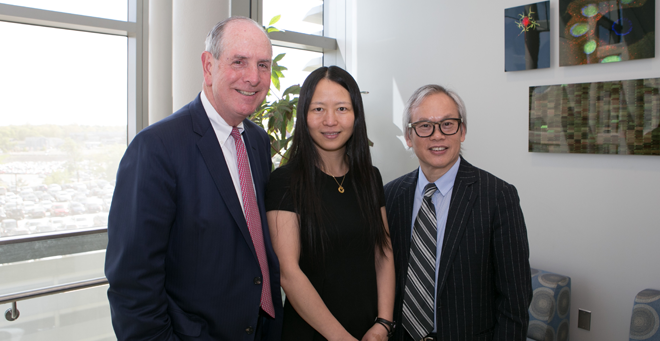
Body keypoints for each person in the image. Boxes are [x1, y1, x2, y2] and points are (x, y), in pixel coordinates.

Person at [104, 17, 283, 340]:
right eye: (239, 62)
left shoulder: (257, 142)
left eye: (263, 65)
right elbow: (133, 285)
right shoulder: (156, 148)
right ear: (208, 65)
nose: (253, 78)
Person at [384, 85, 532, 341]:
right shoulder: (390, 196)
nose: (437, 135)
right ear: (409, 137)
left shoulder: (497, 197)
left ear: (462, 131)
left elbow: (515, 300)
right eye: (424, 126)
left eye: (447, 124)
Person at [266, 66, 395, 341]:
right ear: (304, 115)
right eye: (318, 109)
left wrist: (383, 323)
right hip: (311, 333)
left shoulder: (370, 178)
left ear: (356, 115)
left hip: (370, 332)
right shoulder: (284, 182)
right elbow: (289, 273)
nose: (330, 120)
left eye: (341, 109)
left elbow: (383, 254)